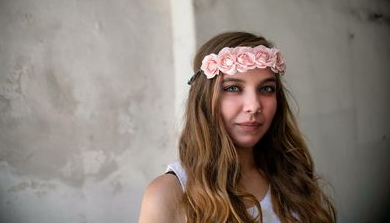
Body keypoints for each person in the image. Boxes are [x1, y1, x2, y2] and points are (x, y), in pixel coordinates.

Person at [138, 32, 336, 223]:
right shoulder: (168, 194)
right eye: (233, 88)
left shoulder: (291, 174)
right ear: (204, 99)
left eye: (266, 88)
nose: (254, 106)